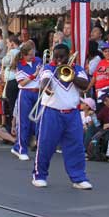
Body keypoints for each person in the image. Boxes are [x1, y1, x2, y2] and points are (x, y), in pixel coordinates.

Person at [32, 44, 92, 189]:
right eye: (56, 56)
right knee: (46, 145)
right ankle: (39, 175)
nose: (58, 60)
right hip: (51, 112)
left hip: (72, 114)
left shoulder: (77, 70)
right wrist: (48, 88)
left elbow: (85, 85)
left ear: (68, 56)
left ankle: (78, 178)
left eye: (61, 57)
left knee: (76, 146)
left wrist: (71, 76)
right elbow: (44, 81)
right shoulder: (49, 68)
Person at [11, 43, 41, 161]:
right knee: (24, 122)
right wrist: (34, 75)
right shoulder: (19, 65)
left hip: (38, 93)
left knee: (38, 122)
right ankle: (21, 148)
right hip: (25, 93)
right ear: (23, 55)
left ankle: (37, 146)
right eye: (29, 55)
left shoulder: (38, 60)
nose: (32, 57)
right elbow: (22, 83)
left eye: (33, 54)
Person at [0, 35, 21, 142]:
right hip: (12, 81)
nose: (7, 45)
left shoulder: (13, 52)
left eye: (8, 43)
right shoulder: (17, 52)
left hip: (12, 81)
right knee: (11, 106)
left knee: (11, 106)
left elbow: (5, 62)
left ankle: (12, 130)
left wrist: (8, 50)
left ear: (12, 43)